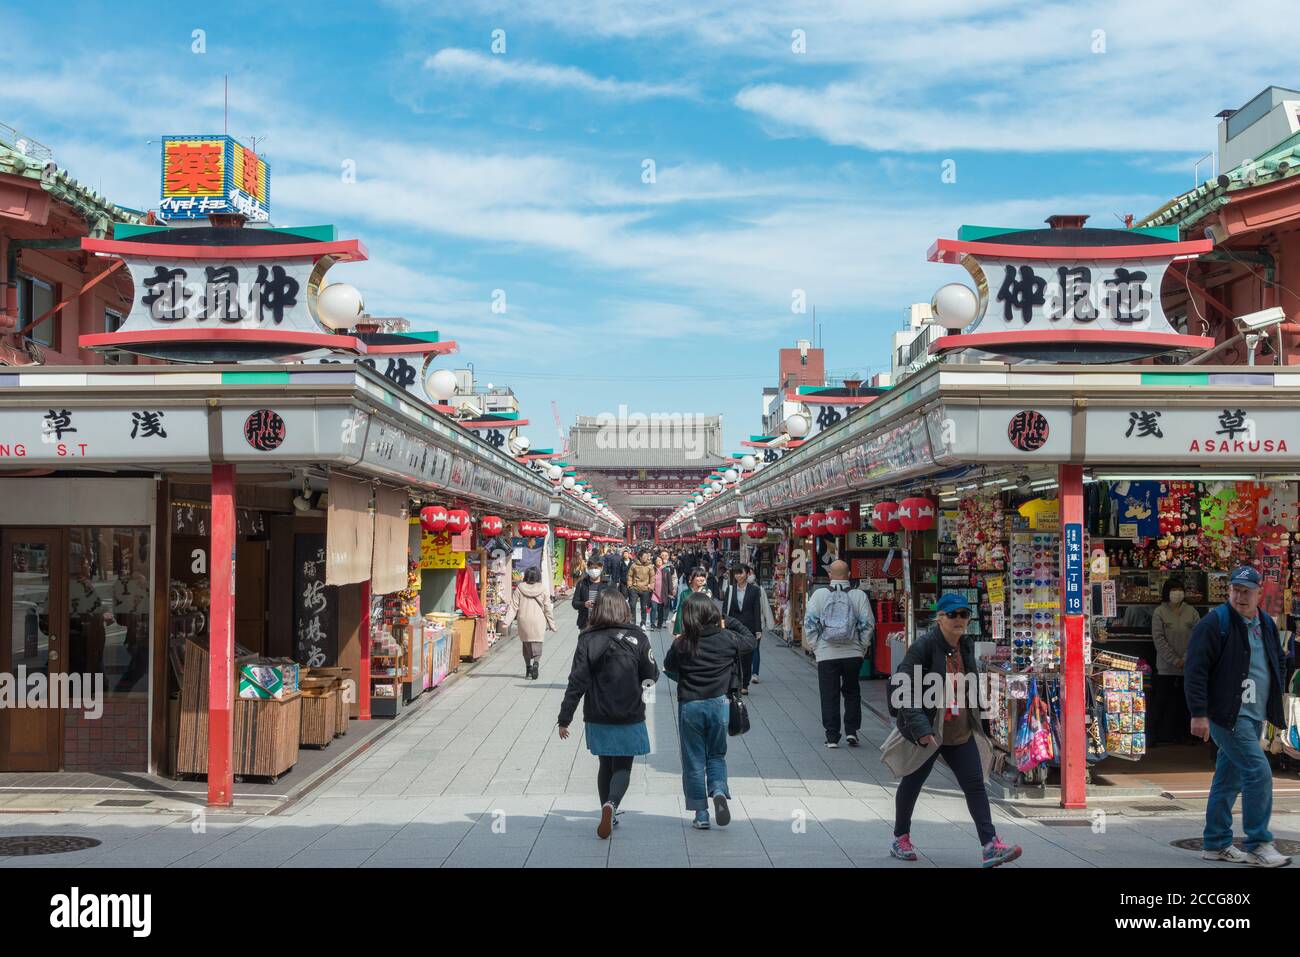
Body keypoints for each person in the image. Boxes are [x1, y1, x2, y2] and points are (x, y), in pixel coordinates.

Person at [886, 592, 1023, 868]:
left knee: (975, 785)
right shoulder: (923, 648)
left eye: (964, 615)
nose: (959, 620)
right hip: (929, 730)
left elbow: (971, 686)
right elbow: (903, 688)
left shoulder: (965, 645)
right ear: (940, 617)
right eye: (953, 615)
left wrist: (982, 724)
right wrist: (922, 729)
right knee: (912, 784)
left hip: (959, 730)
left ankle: (990, 845)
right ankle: (900, 837)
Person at [1185, 566, 1291, 867]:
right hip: (1227, 715)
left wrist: (1276, 698)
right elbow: (1195, 671)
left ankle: (1215, 844)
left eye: (1246, 591)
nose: (1240, 596)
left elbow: (1277, 661)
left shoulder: (1266, 624)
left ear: (1259, 593)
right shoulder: (1214, 623)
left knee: (1227, 780)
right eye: (1235, 589)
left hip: (1254, 713)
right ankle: (1259, 844)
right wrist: (1199, 713)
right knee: (1259, 772)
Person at [557, 590, 659, 838]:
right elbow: (650, 675)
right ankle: (611, 805)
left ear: (598, 609)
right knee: (623, 764)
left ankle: (607, 810)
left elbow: (577, 681)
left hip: (597, 713)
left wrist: (565, 717)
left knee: (605, 763)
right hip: (630, 712)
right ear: (624, 609)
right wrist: (646, 694)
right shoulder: (638, 637)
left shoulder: (587, 639)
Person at [663, 592, 756, 829]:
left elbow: (669, 666)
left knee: (693, 760)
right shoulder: (727, 638)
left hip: (691, 705)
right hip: (719, 704)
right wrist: (728, 619)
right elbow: (750, 639)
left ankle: (701, 814)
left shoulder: (683, 642)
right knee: (716, 755)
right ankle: (718, 790)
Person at [803, 560, 874, 748]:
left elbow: (809, 623)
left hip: (826, 654)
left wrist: (816, 647)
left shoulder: (819, 595)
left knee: (829, 694)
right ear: (849, 575)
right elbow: (867, 624)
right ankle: (852, 731)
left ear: (829, 576)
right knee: (852, 691)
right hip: (853, 653)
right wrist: (862, 647)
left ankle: (832, 736)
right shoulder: (859, 595)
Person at [1151, 577, 1200, 745]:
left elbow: (1197, 637)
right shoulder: (1159, 612)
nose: (1177, 593)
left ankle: (1188, 737)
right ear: (1167, 592)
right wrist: (1174, 660)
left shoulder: (1192, 611)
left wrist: (1186, 659)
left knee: (1185, 704)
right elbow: (1158, 639)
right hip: (1165, 667)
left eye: (1180, 590)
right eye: (1174, 590)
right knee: (1161, 701)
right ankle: (1153, 736)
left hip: (1188, 667)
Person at [502, 566, 556, 680]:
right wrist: (552, 624)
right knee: (538, 644)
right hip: (538, 620)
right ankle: (536, 663)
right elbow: (547, 608)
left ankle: (528, 668)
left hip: (524, 620)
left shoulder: (519, 589)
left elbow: (513, 607)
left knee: (526, 645)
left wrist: (506, 622)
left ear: (526, 576)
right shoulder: (543, 589)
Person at [721, 564, 763, 695]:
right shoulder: (731, 589)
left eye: (741, 573)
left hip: (749, 627)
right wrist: (722, 623)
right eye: (736, 573)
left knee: (747, 656)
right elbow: (725, 608)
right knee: (733, 655)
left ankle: (745, 683)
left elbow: (757, 610)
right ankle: (734, 682)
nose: (738, 576)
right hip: (733, 626)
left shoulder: (754, 590)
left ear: (747, 573)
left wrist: (758, 630)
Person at [572, 557, 616, 630]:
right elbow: (574, 603)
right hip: (585, 623)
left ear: (601, 568)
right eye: (591, 568)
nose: (594, 570)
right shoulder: (582, 583)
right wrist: (584, 604)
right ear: (588, 569)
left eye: (596, 568)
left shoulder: (609, 584)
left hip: (604, 624)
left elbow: (616, 603)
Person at [673, 565, 716, 636]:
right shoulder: (685, 593)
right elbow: (680, 612)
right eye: (698, 576)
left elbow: (711, 612)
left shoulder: (708, 592)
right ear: (691, 578)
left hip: (704, 627)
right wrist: (678, 631)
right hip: (688, 627)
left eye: (703, 576)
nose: (701, 579)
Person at [627, 549, 655, 628]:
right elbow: (630, 575)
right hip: (634, 588)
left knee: (644, 607)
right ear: (640, 557)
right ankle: (633, 622)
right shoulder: (634, 565)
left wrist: (651, 587)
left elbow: (652, 577)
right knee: (632, 605)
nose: (646, 558)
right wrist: (630, 585)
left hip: (645, 589)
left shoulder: (650, 566)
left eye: (647, 556)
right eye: (644, 556)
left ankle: (643, 623)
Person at [650, 554, 673, 630]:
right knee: (653, 608)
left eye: (660, 560)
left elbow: (670, 582)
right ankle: (652, 623)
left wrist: (670, 592)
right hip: (654, 592)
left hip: (663, 593)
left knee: (660, 609)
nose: (659, 562)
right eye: (658, 560)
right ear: (655, 562)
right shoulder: (652, 569)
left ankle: (659, 624)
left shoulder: (666, 570)